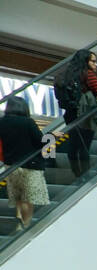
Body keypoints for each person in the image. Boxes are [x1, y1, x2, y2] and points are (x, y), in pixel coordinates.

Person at [55, 50, 97, 179]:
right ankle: (86, 174)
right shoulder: (87, 74)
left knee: (74, 144)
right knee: (85, 144)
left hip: (70, 113)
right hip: (85, 113)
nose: (96, 64)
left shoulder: (65, 74)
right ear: (85, 61)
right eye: (93, 61)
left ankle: (76, 173)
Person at [0, 97, 49, 231]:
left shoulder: (2, 122)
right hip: (29, 165)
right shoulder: (28, 122)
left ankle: (19, 216)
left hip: (10, 166)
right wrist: (51, 135)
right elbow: (41, 141)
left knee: (18, 195)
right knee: (28, 197)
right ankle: (24, 225)